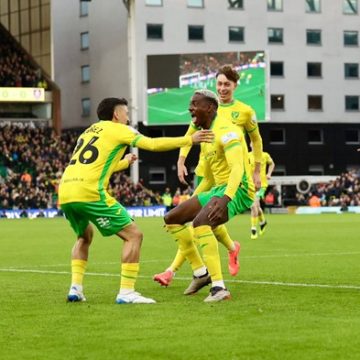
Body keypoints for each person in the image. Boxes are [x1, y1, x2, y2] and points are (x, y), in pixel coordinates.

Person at [58, 97, 213, 304]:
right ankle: (127, 292)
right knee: (134, 235)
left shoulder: (89, 131)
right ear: (116, 115)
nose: (128, 117)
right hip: (89, 191)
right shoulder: (120, 129)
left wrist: (124, 162)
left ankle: (75, 288)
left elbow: (98, 165)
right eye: (126, 112)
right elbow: (152, 144)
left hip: (66, 190)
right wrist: (189, 140)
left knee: (84, 236)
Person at [153, 65, 261, 287]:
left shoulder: (243, 113)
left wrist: (257, 169)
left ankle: (176, 271)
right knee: (184, 218)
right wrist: (181, 159)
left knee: (200, 222)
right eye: (219, 83)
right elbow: (190, 134)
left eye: (226, 84)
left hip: (232, 176)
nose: (222, 88)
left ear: (235, 86)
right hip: (207, 171)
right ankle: (228, 250)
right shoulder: (202, 112)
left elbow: (256, 141)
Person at [248, 145, 275, 239]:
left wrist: (269, 174)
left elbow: (272, 164)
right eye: (252, 142)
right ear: (250, 145)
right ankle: (263, 222)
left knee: (253, 206)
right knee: (257, 207)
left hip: (261, 185)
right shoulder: (248, 156)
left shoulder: (264, 155)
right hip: (251, 185)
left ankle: (253, 229)